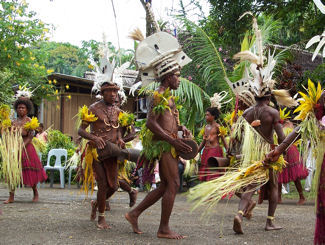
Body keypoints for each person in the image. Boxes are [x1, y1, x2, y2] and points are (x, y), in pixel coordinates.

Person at [125, 21, 193, 239]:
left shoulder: (168, 96)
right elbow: (151, 124)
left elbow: (168, 121)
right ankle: (163, 228)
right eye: (177, 75)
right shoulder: (157, 96)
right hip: (164, 145)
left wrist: (181, 128)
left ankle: (135, 213)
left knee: (166, 185)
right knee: (172, 183)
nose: (179, 79)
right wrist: (172, 141)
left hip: (170, 143)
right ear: (167, 76)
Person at [78, 56, 125, 229]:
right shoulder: (93, 109)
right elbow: (81, 130)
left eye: (115, 91)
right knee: (103, 184)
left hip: (112, 152)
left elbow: (118, 128)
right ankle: (101, 218)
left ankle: (97, 204)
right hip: (97, 152)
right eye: (110, 91)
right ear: (102, 92)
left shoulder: (118, 110)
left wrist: (120, 137)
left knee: (114, 186)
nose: (113, 94)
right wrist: (94, 138)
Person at [4, 93, 47, 204]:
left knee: (30, 172)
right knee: (12, 172)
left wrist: (21, 146)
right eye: (19, 108)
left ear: (27, 109)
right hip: (14, 149)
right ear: (16, 109)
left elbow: (31, 136)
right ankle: (11, 196)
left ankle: (35, 192)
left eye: (23, 108)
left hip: (27, 149)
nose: (21, 109)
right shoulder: (13, 122)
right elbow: (8, 134)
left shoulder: (30, 122)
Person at [277, 116, 308, 205]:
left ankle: (302, 197)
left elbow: (291, 138)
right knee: (279, 173)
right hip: (280, 150)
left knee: (295, 176)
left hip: (290, 151)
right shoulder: (277, 124)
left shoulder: (290, 125)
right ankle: (278, 197)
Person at [198, 107, 227, 181]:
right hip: (206, 151)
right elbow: (203, 141)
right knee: (206, 173)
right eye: (205, 115)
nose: (206, 117)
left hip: (215, 151)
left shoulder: (218, 127)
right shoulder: (206, 127)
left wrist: (228, 151)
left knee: (213, 173)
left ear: (213, 116)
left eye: (208, 115)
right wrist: (197, 151)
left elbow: (223, 140)